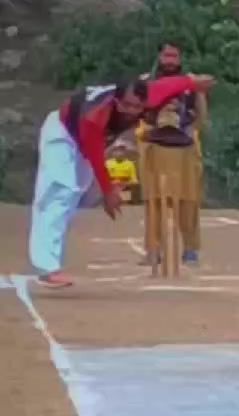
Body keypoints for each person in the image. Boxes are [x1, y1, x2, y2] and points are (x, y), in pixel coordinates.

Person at [28, 70, 213, 289]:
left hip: (84, 143)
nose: (131, 111)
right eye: (126, 105)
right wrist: (108, 191)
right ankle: (47, 268)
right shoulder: (94, 116)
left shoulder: (149, 95)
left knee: (72, 198)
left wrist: (192, 82)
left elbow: (170, 84)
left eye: (137, 107)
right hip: (62, 133)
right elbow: (95, 156)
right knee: (60, 192)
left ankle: (48, 257)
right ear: (116, 99)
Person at [141, 43, 209, 270]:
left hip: (184, 148)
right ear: (159, 57)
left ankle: (190, 250)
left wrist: (200, 94)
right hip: (155, 146)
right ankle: (153, 251)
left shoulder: (192, 83)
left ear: (180, 59)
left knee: (188, 200)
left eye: (174, 56)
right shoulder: (146, 82)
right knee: (153, 202)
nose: (170, 60)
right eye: (166, 55)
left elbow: (202, 117)